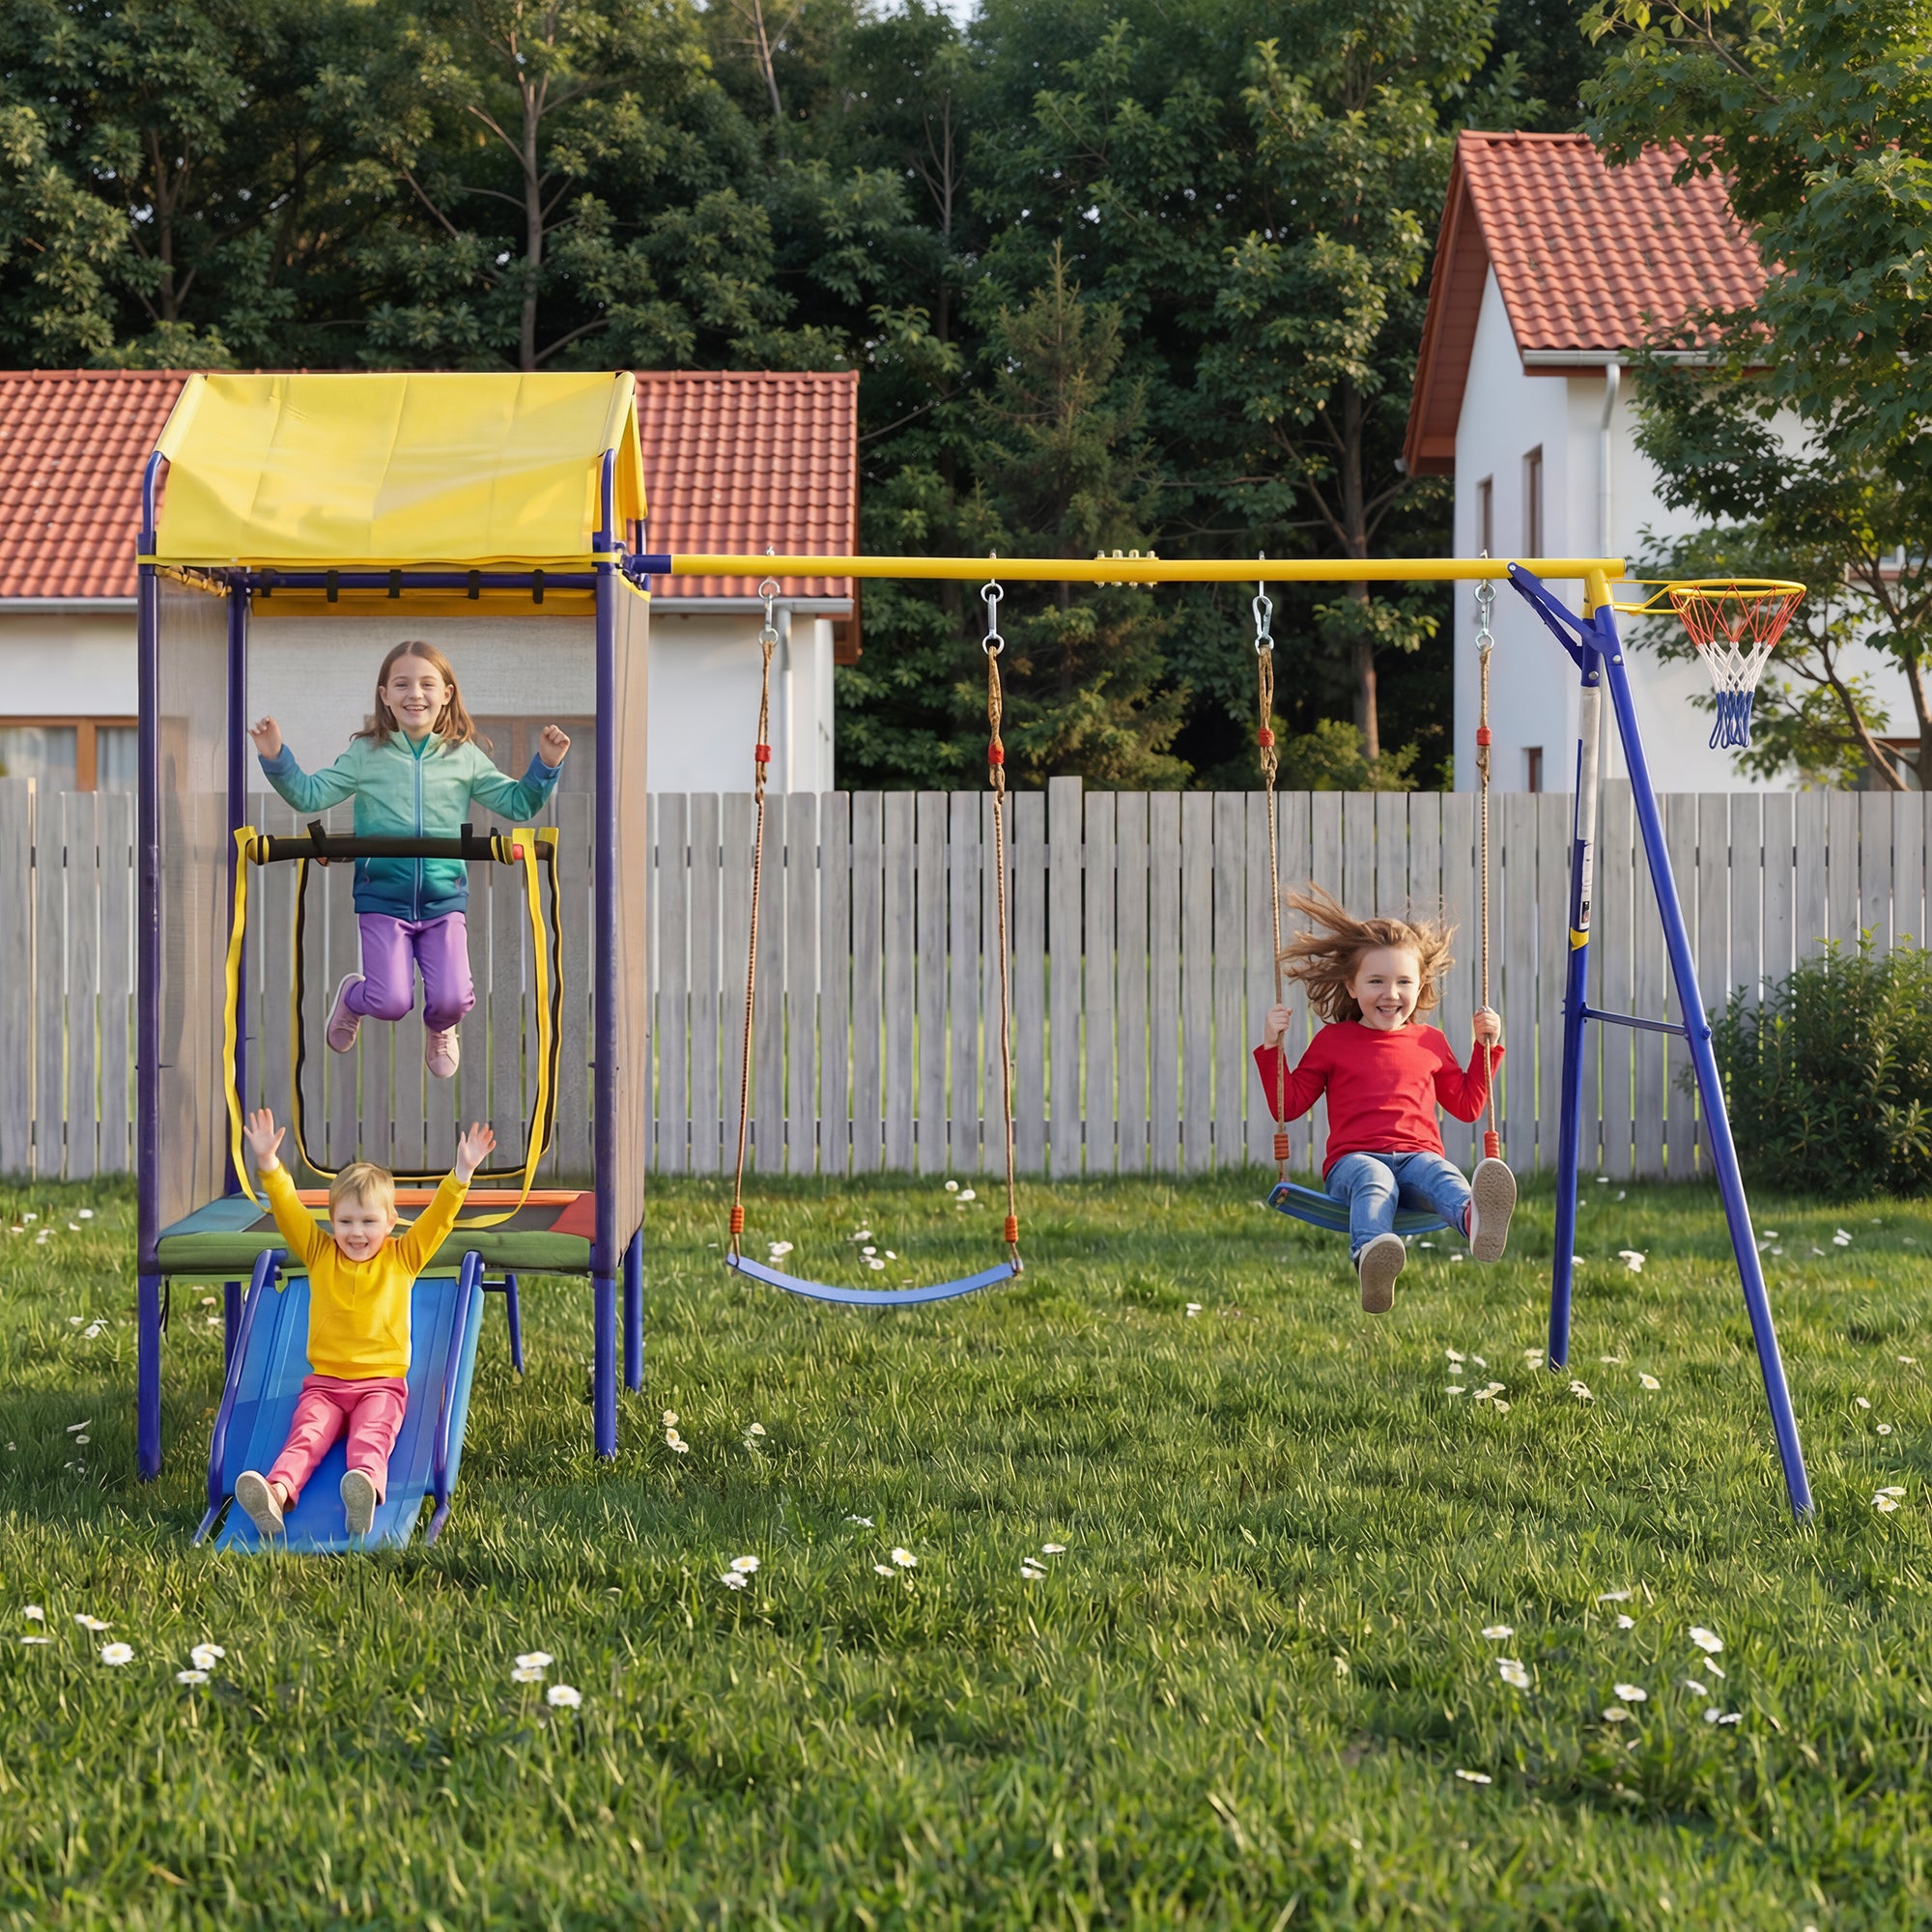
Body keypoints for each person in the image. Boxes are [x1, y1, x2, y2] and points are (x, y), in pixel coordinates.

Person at [249, 640, 569, 1079]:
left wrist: (546, 765)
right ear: (385, 696)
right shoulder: (366, 754)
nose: (414, 693)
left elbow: (518, 804)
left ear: (446, 695)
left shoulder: (463, 757)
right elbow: (309, 796)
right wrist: (275, 756)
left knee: (453, 999)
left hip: (443, 901)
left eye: (426, 684)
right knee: (391, 1001)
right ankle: (352, 999)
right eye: (401, 684)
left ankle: (441, 1027)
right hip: (383, 898)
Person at [231, 1106, 497, 1539]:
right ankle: (275, 1495)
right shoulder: (319, 1254)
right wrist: (268, 1165)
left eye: (369, 1221)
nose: (357, 1232)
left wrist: (462, 1173)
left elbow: (437, 1220)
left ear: (391, 1223)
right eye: (346, 1222)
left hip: (381, 1384)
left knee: (371, 1436)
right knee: (306, 1435)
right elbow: (288, 1210)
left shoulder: (404, 1258)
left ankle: (365, 1492)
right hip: (325, 1384)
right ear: (331, 1222)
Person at [1255, 886, 1516, 1314]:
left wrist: (1484, 1050)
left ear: (1420, 985)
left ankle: (1476, 1221)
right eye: (1376, 981)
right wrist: (1271, 1048)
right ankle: (1373, 1256)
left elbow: (1467, 1106)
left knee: (1442, 1175)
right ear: (1352, 986)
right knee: (1375, 1180)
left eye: (1403, 982)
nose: (1390, 993)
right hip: (1352, 1163)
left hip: (1417, 1158)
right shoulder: (1333, 1041)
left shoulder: (1430, 1042)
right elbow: (1290, 1106)